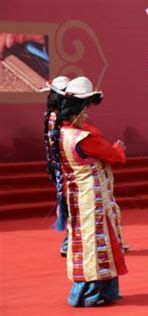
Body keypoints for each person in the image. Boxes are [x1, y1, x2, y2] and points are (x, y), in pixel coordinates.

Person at [50, 76, 128, 307]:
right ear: (75, 112)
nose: (86, 115)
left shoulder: (60, 132)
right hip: (92, 198)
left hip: (78, 194)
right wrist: (118, 149)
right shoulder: (81, 137)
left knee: (88, 241)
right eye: (84, 111)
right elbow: (113, 155)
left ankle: (102, 291)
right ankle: (89, 294)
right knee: (96, 243)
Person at [40, 76, 71, 257]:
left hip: (58, 168)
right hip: (66, 170)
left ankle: (69, 243)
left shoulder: (51, 115)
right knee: (73, 207)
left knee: (68, 206)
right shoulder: (60, 119)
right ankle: (69, 243)